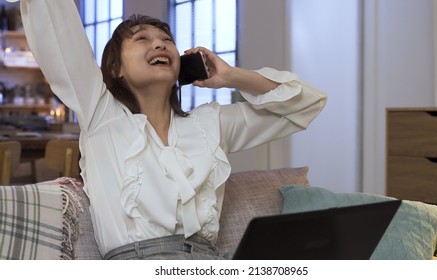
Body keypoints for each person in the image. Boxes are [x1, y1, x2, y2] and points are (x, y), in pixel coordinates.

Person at [20, 0, 327, 260]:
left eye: (166, 40)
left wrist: (232, 76)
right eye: (142, 39)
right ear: (116, 69)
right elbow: (56, 26)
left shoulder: (210, 124)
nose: (159, 43)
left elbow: (308, 104)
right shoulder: (101, 114)